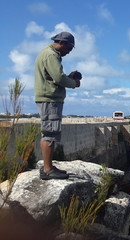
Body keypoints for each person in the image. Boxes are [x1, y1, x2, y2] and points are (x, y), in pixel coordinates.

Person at [34, 31, 82, 180]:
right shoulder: (51, 55)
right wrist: (73, 83)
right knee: (50, 133)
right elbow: (58, 78)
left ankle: (48, 167)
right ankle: (48, 170)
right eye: (69, 48)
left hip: (50, 98)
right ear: (61, 42)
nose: (69, 52)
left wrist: (68, 77)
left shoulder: (49, 54)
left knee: (51, 132)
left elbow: (54, 78)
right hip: (50, 99)